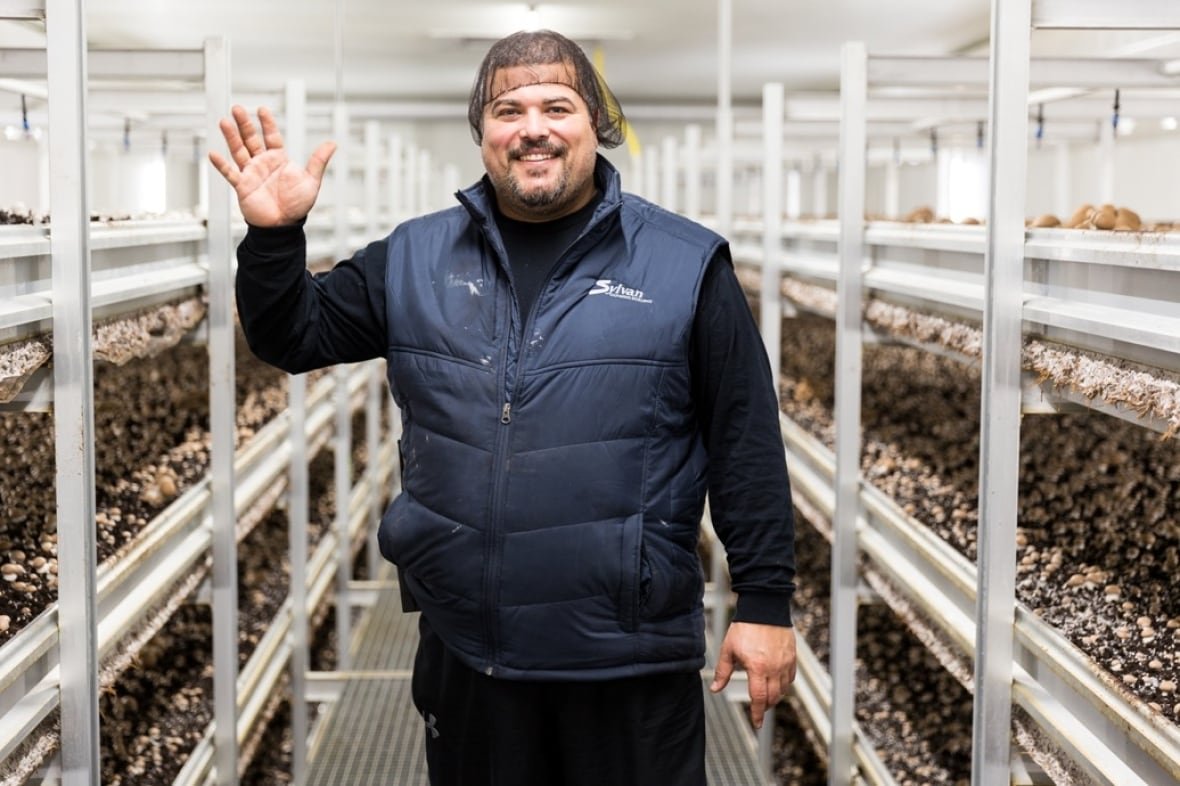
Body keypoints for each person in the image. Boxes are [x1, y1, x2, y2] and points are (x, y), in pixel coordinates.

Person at [210, 29, 796, 786]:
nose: (533, 128)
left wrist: (765, 602)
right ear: (483, 133)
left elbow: (743, 437)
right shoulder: (414, 258)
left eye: (558, 105)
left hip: (628, 657)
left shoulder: (685, 264)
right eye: (507, 109)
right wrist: (272, 238)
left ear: (595, 125)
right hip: (469, 651)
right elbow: (293, 335)